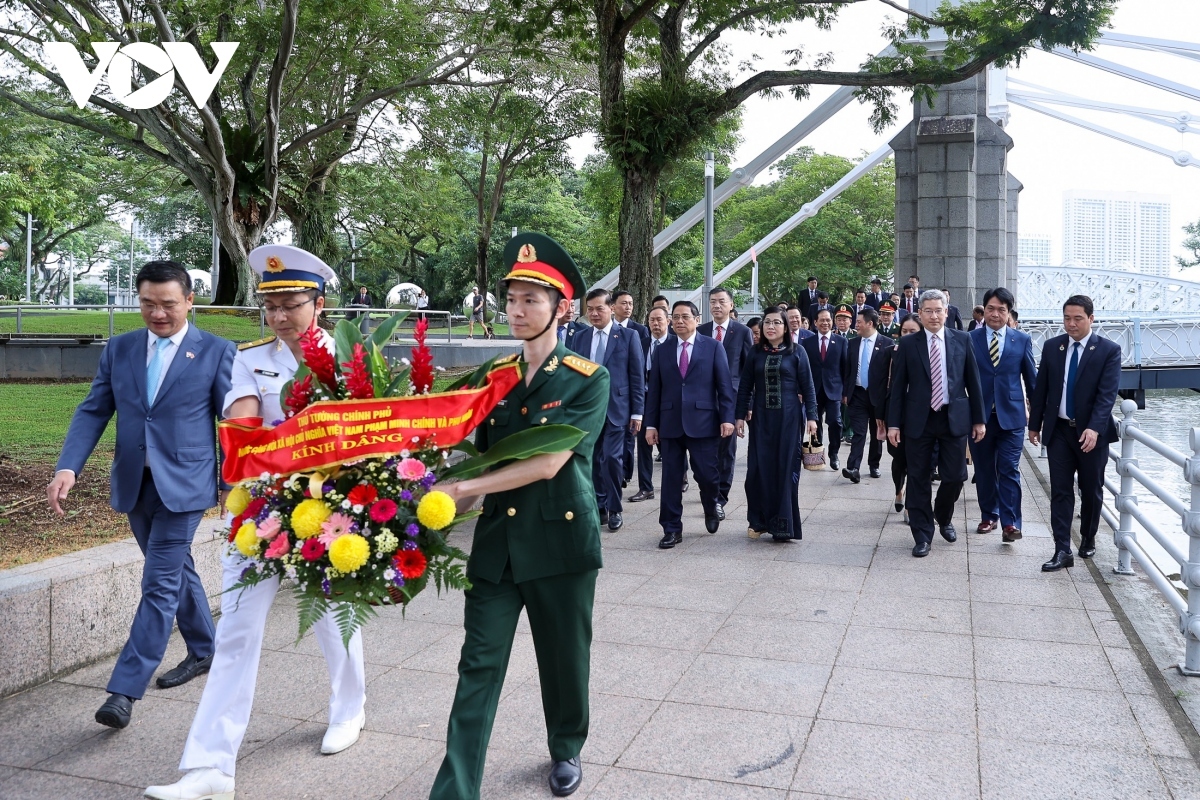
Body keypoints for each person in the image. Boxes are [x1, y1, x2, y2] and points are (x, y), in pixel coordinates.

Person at [146, 247, 366, 800]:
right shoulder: (250, 358)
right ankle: (209, 767)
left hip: (330, 512)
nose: (279, 318)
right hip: (262, 510)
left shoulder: (352, 359)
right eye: (269, 307)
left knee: (334, 617)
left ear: (319, 303)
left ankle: (349, 707)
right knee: (238, 632)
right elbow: (243, 423)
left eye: (290, 305)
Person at [429, 233, 608, 799]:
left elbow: (549, 462)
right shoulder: (495, 377)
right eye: (511, 299)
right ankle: (456, 789)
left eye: (532, 299)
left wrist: (467, 485)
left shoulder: (586, 378)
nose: (518, 310)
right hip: (499, 547)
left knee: (563, 661)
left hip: (560, 544)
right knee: (477, 666)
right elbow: (470, 451)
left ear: (563, 308)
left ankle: (566, 748)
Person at [47, 261, 235, 730]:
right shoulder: (121, 348)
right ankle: (206, 649)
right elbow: (93, 409)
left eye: (168, 303)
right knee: (175, 570)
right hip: (134, 483)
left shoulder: (215, 352)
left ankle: (124, 690)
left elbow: (232, 425)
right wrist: (68, 465)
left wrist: (234, 488)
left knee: (159, 583)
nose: (157, 313)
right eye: (148, 303)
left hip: (187, 487)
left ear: (190, 301)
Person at [887, 290, 986, 558]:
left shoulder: (962, 340)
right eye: (928, 311)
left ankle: (943, 516)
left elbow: (973, 383)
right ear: (920, 314)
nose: (933, 315)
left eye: (938, 310)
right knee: (918, 478)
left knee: (955, 476)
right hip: (918, 420)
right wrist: (893, 424)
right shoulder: (908, 344)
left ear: (947, 312)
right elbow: (898, 388)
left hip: (953, 418)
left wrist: (979, 420)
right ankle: (922, 534)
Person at [1028, 294, 1122, 572]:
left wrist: (1094, 427)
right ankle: (1061, 549)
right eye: (1067, 318)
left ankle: (1088, 536)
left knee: (1090, 490)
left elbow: (1107, 395)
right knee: (1060, 490)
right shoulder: (1052, 347)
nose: (1071, 324)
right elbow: (1041, 388)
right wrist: (1034, 424)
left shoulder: (1108, 350)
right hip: (1059, 431)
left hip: (1092, 434)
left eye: (1077, 319)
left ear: (1091, 319)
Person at [644, 300, 736, 549]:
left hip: (704, 422)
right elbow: (654, 391)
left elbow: (724, 386)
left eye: (685, 316)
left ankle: (710, 506)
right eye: (676, 317)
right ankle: (671, 528)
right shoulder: (662, 350)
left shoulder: (713, 347)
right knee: (671, 479)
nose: (680, 321)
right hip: (670, 423)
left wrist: (727, 418)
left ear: (697, 319)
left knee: (707, 475)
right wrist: (650, 425)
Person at [735, 308, 818, 540]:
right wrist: (739, 416)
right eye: (766, 322)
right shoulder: (755, 352)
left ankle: (784, 525)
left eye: (776, 323)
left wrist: (812, 417)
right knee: (757, 471)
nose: (770, 327)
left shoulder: (797, 352)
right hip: (761, 420)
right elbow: (745, 387)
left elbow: (808, 387)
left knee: (784, 470)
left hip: (790, 420)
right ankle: (759, 521)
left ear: (785, 327)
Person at [569, 289, 644, 531]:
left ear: (611, 308)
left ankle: (615, 508)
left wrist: (637, 413)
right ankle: (599, 506)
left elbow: (636, 377)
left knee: (611, 459)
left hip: (617, 410)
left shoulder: (628, 336)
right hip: (589, 411)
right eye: (589, 309)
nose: (593, 313)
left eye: (599, 308)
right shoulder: (579, 338)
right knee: (591, 461)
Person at [968, 287, 1037, 545]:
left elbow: (1032, 382)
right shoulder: (970, 339)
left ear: (1009, 313)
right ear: (983, 311)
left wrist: (1037, 420)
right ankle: (989, 515)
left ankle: (1011, 523)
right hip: (980, 417)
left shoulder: (1021, 340)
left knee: (1008, 469)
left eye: (1001, 310)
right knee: (985, 470)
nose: (995, 314)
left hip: (1012, 417)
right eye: (990, 309)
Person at [698, 286, 754, 513]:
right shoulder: (700, 330)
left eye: (721, 301)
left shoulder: (741, 332)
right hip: (702, 400)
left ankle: (720, 497)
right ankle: (708, 490)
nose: (717, 306)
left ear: (731, 305)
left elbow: (748, 372)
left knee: (726, 451)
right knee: (704, 451)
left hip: (729, 401)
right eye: (712, 302)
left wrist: (747, 405)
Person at [873, 315, 923, 519]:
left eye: (913, 332)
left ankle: (912, 502)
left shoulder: (929, 352)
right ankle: (898, 490)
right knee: (899, 459)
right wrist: (879, 414)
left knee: (917, 462)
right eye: (905, 331)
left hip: (919, 415)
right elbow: (880, 384)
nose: (908, 335)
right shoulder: (889, 353)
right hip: (895, 414)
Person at [841, 307, 894, 483]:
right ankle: (853, 467)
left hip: (878, 396)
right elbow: (847, 370)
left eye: (859, 322)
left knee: (876, 431)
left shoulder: (886, 343)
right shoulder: (853, 343)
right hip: (857, 395)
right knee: (859, 432)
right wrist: (846, 392)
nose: (856, 325)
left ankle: (874, 465)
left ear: (870, 323)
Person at [630, 306, 674, 503]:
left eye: (659, 320)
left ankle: (677, 480)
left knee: (669, 444)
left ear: (668, 321)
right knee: (644, 445)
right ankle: (645, 487)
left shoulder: (675, 343)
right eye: (652, 320)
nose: (655, 324)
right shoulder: (641, 343)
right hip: (646, 399)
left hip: (668, 401)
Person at [611, 290, 650, 490]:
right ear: (613, 306)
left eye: (631, 303)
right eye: (624, 303)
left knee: (628, 438)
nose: (628, 307)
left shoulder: (639, 331)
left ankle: (625, 472)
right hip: (610, 396)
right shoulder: (604, 330)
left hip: (628, 393)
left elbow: (638, 366)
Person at [800, 308, 848, 471]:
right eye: (822, 320)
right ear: (815, 322)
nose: (825, 323)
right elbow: (803, 369)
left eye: (828, 320)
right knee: (815, 422)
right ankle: (817, 455)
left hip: (834, 389)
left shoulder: (841, 341)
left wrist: (846, 392)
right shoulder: (807, 342)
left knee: (835, 421)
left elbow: (845, 368)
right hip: (813, 389)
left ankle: (833, 453)